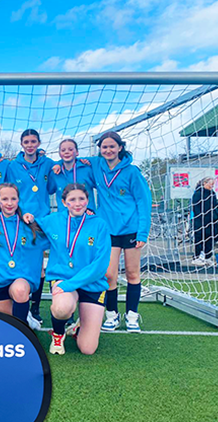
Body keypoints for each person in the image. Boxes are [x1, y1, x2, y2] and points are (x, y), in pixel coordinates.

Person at [26, 183, 111, 355]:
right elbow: (33, 225)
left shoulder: (99, 225)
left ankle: (78, 327)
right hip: (63, 278)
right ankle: (58, 333)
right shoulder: (54, 220)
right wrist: (28, 217)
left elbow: (100, 265)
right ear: (64, 202)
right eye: (72, 199)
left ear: (88, 201)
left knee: (87, 349)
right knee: (61, 308)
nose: (78, 203)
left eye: (82, 199)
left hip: (92, 283)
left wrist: (71, 284)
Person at [85, 132, 151, 333]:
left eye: (112, 146)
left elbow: (143, 202)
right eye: (104, 147)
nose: (108, 150)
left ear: (120, 147)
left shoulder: (132, 172)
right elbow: (72, 157)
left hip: (131, 230)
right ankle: (112, 315)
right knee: (108, 275)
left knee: (132, 273)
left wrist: (142, 233)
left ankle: (132, 315)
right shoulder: (96, 165)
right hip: (108, 230)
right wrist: (51, 159)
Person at [6, 129, 55, 326]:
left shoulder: (49, 164)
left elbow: (54, 184)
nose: (30, 145)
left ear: (38, 143)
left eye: (33, 141)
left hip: (42, 221)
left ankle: (35, 308)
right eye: (26, 141)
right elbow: (8, 190)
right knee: (22, 262)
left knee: (40, 266)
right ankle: (19, 301)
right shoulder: (13, 166)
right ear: (21, 144)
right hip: (20, 220)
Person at [0, 183, 47, 329]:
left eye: (13, 199)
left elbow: (55, 231)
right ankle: (26, 317)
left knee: (20, 290)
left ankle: (23, 334)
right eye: (4, 199)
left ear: (18, 200)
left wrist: (36, 220)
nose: (9, 203)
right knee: (8, 322)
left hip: (20, 280)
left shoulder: (28, 223)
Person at [48, 138, 96, 212]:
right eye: (63, 150)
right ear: (59, 154)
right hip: (64, 218)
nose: (66, 152)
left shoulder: (87, 169)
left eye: (70, 149)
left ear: (77, 152)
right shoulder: (55, 173)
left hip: (86, 216)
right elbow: (49, 190)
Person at [191, 177, 218, 266]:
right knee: (200, 238)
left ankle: (208, 257)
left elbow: (215, 206)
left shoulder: (212, 193)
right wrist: (202, 217)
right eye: (210, 183)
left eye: (213, 184)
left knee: (211, 239)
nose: (212, 185)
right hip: (201, 221)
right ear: (204, 183)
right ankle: (198, 257)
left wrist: (216, 216)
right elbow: (196, 207)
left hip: (212, 221)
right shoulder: (198, 193)